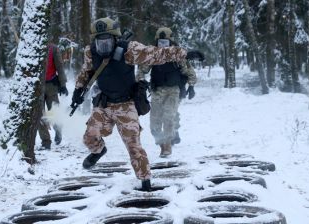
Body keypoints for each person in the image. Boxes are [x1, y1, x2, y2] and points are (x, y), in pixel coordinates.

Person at [71, 18, 199, 191]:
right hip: (104, 103)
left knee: (134, 147)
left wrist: (184, 53)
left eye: (107, 40)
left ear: (115, 38)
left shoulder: (129, 50)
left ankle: (145, 181)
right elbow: (86, 71)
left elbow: (156, 54)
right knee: (89, 136)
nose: (103, 45)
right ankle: (98, 151)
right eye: (99, 41)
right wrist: (78, 90)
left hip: (126, 105)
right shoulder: (90, 52)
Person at [137, 27, 201, 157]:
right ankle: (161, 140)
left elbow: (189, 71)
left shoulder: (177, 55)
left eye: (166, 43)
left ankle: (167, 145)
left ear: (171, 42)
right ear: (157, 42)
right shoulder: (153, 55)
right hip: (157, 90)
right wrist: (141, 82)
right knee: (154, 122)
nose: (163, 46)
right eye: (161, 43)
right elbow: (141, 70)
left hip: (173, 91)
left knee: (169, 116)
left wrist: (192, 86)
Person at [37, 43, 68, 150]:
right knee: (38, 113)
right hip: (37, 86)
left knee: (53, 111)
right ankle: (46, 141)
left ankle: (58, 130)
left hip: (51, 85)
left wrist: (63, 85)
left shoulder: (53, 49)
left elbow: (60, 66)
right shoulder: (32, 48)